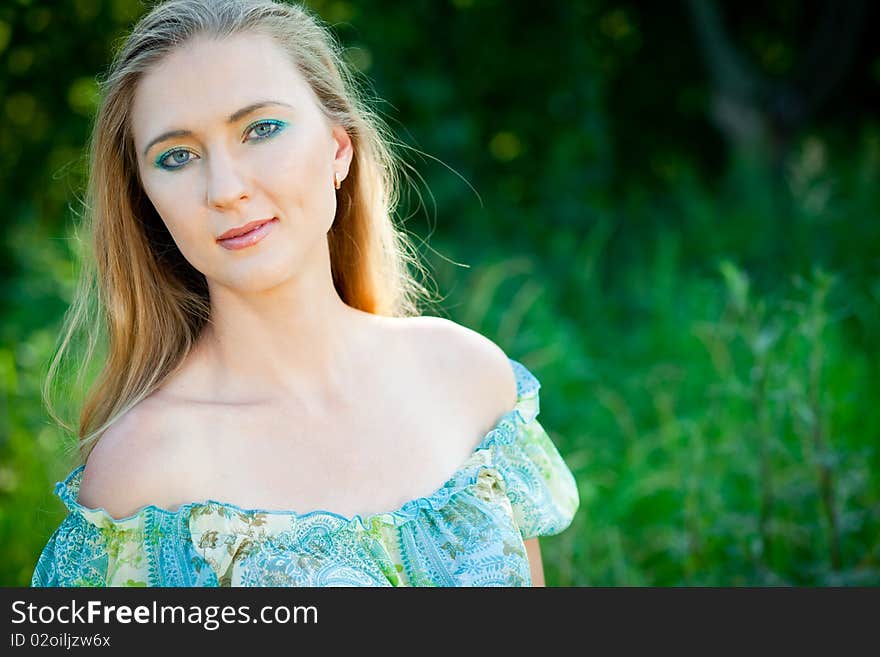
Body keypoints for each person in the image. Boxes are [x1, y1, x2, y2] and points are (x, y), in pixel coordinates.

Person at [30, 0, 579, 587]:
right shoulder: (143, 475)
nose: (226, 189)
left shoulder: (471, 379)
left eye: (261, 129)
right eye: (177, 156)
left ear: (339, 149)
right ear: (146, 201)